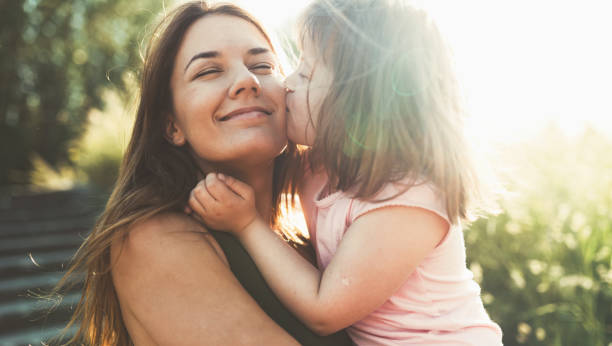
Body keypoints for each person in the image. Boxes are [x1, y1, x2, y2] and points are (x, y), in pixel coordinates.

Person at [188, 0, 504, 344]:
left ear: (358, 105)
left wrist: (246, 224)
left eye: (306, 74)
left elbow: (325, 311)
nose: (287, 84)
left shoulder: (406, 197)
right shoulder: (320, 165)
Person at [50, 1, 352, 345]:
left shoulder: (318, 238)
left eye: (263, 65)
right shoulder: (153, 238)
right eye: (208, 71)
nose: (247, 81)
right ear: (171, 125)